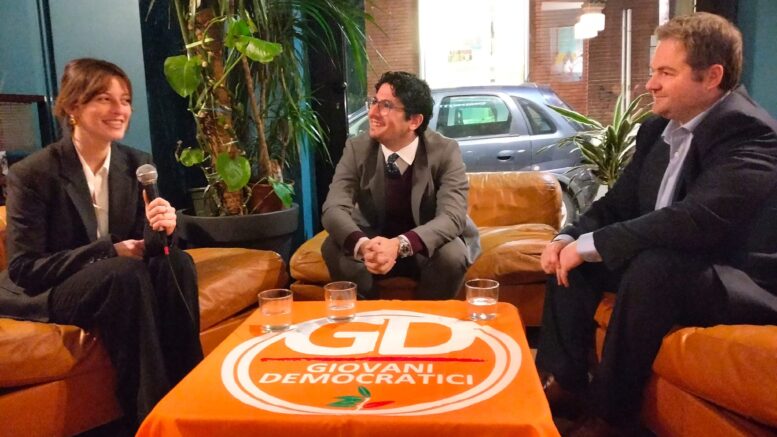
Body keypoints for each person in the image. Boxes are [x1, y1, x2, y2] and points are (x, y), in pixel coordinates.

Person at [535, 12, 777, 435]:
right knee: (575, 260)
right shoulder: (656, 129)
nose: (650, 84)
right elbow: (617, 204)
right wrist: (568, 236)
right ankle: (565, 385)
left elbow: (695, 220)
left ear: (712, 77)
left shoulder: (749, 133)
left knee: (654, 266)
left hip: (737, 277)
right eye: (653, 71)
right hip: (676, 263)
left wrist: (591, 245)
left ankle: (610, 416)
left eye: (666, 72)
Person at [0, 58, 203, 427]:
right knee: (124, 274)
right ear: (73, 107)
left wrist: (165, 229)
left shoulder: (136, 164)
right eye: (105, 99)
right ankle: (149, 419)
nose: (119, 110)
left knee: (177, 263)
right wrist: (110, 250)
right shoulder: (33, 173)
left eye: (125, 100)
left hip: (120, 279)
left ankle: (193, 401)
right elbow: (25, 268)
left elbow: (150, 247)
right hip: (55, 286)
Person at [321, 71, 480, 299]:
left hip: (424, 243)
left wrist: (398, 245)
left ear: (414, 121)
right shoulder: (358, 148)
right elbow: (333, 208)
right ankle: (369, 314)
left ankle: (425, 318)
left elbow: (452, 217)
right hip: (374, 242)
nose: (372, 113)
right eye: (374, 102)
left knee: (453, 254)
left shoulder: (445, 151)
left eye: (386, 105)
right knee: (331, 246)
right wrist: (364, 245)